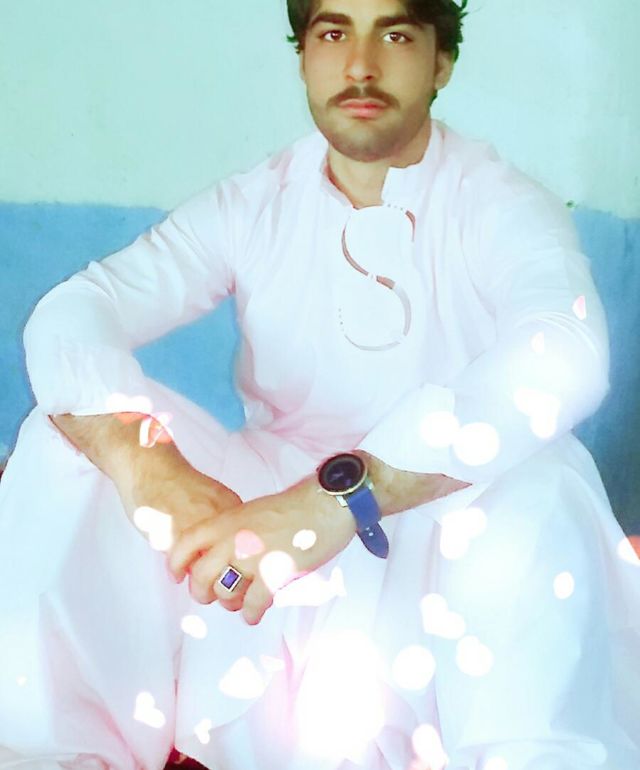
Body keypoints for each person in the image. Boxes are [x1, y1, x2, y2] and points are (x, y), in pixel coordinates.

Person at [1, 0, 639, 768]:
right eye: (334, 33)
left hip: (438, 543)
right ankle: (51, 754)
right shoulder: (255, 203)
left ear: (441, 62)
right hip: (257, 554)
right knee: (76, 434)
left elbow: (565, 351)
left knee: (542, 472)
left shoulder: (498, 202)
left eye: (395, 34)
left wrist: (342, 499)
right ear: (303, 55)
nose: (361, 66)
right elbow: (74, 313)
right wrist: (149, 468)